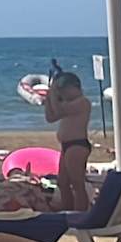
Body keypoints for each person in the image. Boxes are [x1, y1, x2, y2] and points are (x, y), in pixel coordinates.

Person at [43, 65, 93, 211]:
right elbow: (51, 117)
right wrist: (48, 99)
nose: (62, 94)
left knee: (77, 183)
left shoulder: (83, 102)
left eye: (64, 90)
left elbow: (59, 110)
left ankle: (80, 213)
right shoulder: (67, 104)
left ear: (74, 87)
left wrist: (53, 93)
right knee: (63, 183)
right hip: (67, 146)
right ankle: (68, 211)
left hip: (77, 145)